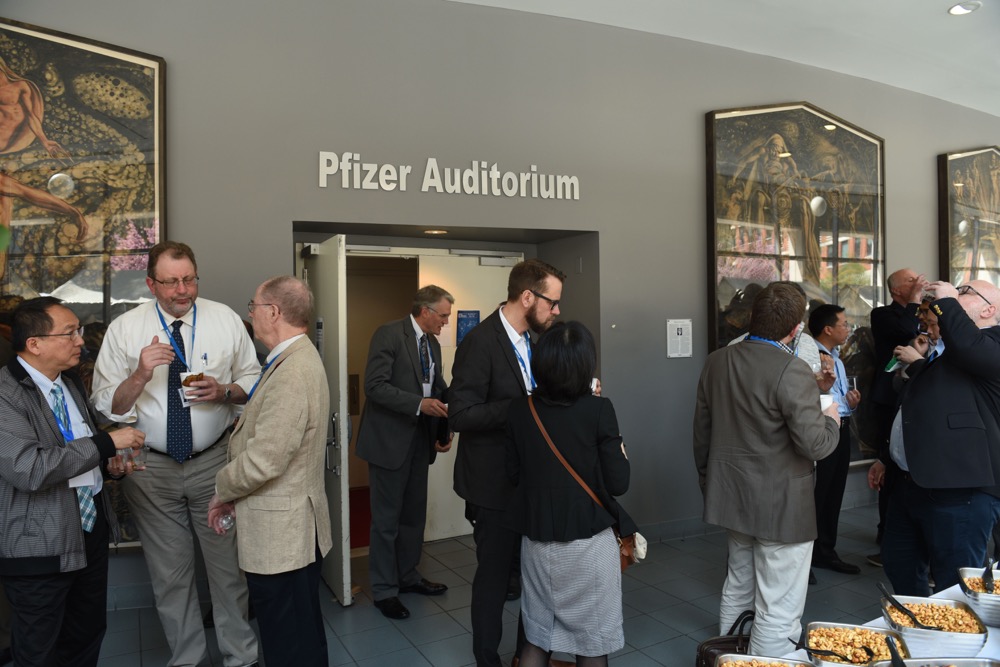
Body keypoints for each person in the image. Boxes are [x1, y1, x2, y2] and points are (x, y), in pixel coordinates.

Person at [91, 241, 260, 667]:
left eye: (189, 279)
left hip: (214, 464)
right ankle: (188, 659)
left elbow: (253, 380)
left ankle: (241, 657)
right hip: (150, 470)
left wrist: (224, 391)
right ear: (151, 284)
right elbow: (107, 406)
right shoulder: (125, 329)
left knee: (228, 571)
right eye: (171, 282)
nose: (182, 290)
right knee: (170, 575)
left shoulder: (225, 319)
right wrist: (141, 373)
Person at [694, 282, 839, 657]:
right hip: (782, 505)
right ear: (795, 330)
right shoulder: (793, 369)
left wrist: (709, 483)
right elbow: (815, 445)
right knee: (779, 605)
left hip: (731, 494)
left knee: (738, 584)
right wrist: (832, 420)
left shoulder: (716, 361)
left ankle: (728, 659)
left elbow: (702, 434)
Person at [0, 297, 144, 666]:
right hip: (38, 542)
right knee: (39, 648)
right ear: (35, 344)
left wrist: (109, 465)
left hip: (89, 530)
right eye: (69, 333)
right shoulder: (5, 394)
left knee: (86, 635)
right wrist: (106, 443)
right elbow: (29, 468)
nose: (81, 340)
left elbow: (77, 450)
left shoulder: (70, 383)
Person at [208, 276, 332, 667]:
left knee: (288, 643)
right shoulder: (289, 359)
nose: (250, 313)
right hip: (288, 531)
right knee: (300, 636)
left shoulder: (293, 370)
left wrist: (222, 489)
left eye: (253, 306)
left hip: (283, 537)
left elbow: (266, 459)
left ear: (274, 312)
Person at [450, 258, 566, 667]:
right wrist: (523, 406)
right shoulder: (480, 342)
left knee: (532, 579)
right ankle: (487, 659)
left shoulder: (534, 342)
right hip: (492, 486)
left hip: (529, 483)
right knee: (494, 580)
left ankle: (523, 657)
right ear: (527, 297)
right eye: (552, 302)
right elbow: (460, 414)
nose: (557, 311)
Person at [505, 321, 629, 667]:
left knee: (537, 637)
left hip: (536, 541)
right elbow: (619, 483)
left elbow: (513, 474)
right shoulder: (599, 410)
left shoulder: (520, 410)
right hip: (588, 545)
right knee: (592, 644)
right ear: (585, 365)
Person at [881, 280, 1000, 596]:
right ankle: (918, 623)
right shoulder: (947, 350)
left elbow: (972, 350)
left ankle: (955, 630)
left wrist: (947, 301)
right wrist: (885, 456)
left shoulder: (991, 342)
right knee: (900, 566)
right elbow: (921, 402)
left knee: (955, 585)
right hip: (911, 481)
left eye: (965, 292)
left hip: (960, 488)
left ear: (989, 310)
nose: (956, 294)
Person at [355, 285, 454, 620]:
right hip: (388, 442)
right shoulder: (389, 334)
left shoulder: (433, 345)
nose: (445, 322)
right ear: (425, 311)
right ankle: (385, 590)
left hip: (419, 442)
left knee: (413, 516)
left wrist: (445, 428)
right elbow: (375, 386)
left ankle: (408, 576)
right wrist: (418, 404)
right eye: (443, 316)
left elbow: (437, 387)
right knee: (386, 521)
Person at [867, 268, 927, 566]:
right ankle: (886, 533)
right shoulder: (882, 314)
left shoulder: (926, 312)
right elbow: (906, 332)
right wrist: (915, 300)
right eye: (911, 281)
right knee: (888, 462)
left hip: (920, 395)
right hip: (889, 397)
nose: (918, 282)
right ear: (896, 291)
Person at [808, 304, 862, 575]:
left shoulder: (836, 359)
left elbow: (837, 398)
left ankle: (826, 551)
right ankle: (807, 556)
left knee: (834, 492)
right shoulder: (812, 357)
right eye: (844, 324)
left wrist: (850, 403)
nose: (848, 329)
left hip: (841, 426)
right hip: (823, 429)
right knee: (819, 494)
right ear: (828, 329)